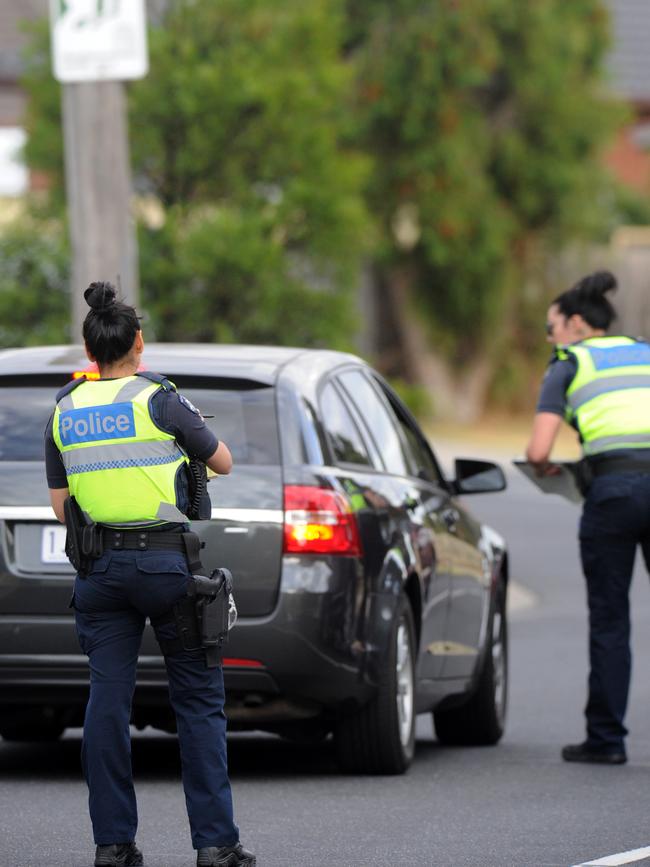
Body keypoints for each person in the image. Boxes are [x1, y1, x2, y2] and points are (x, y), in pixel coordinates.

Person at [44, 282, 255, 867]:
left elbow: (62, 506)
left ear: (90, 350)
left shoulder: (65, 408)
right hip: (166, 565)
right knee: (197, 702)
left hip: (100, 570)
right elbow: (223, 462)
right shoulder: (159, 398)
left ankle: (113, 845)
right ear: (138, 343)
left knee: (106, 704)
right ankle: (215, 845)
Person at [525, 270, 650, 766]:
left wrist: (547, 468)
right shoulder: (645, 352)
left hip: (613, 492)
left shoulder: (567, 364)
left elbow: (538, 450)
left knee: (610, 619)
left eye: (551, 327)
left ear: (576, 324)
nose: (549, 337)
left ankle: (607, 740)